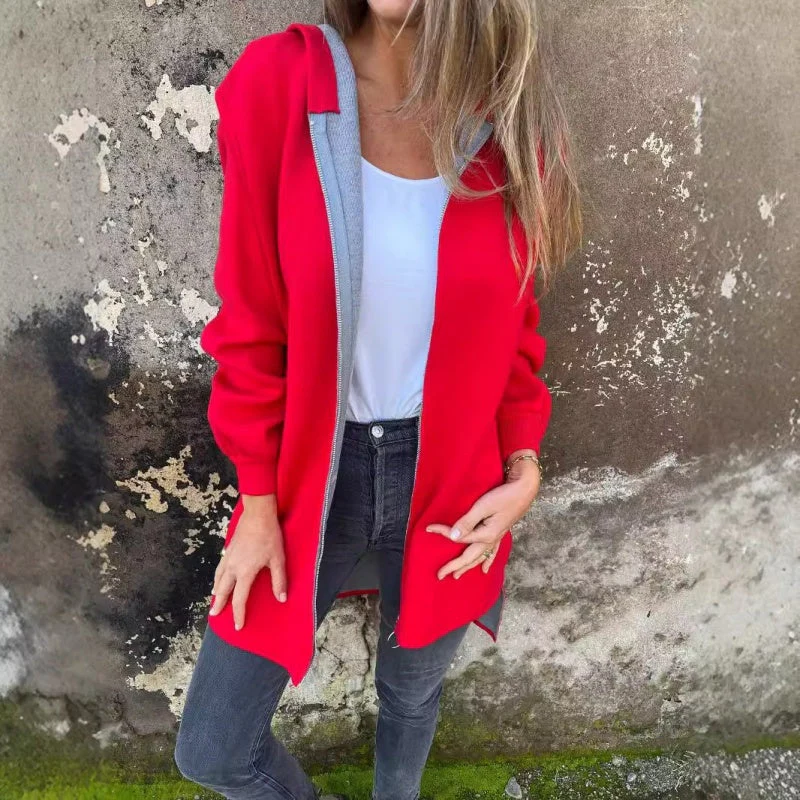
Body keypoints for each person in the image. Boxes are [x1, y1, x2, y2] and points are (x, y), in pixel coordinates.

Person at [174, 1, 582, 798]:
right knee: (215, 748)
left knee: (412, 693)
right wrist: (257, 500)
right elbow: (249, 316)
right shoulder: (280, 85)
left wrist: (524, 466)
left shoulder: (507, 120)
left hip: (455, 481)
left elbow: (516, 327)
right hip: (311, 481)